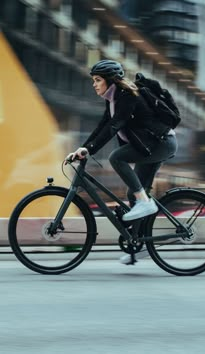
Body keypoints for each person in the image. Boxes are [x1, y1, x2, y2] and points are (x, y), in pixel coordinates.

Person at [66, 59, 178, 264]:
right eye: (93, 80)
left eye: (98, 80)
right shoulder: (112, 98)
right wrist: (83, 148)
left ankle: (145, 203)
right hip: (151, 145)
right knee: (133, 192)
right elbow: (103, 125)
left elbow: (115, 125)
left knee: (116, 157)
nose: (94, 84)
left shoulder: (127, 95)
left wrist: (89, 150)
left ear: (110, 81)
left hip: (161, 143)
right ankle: (138, 246)